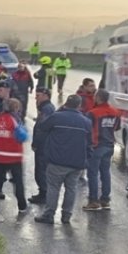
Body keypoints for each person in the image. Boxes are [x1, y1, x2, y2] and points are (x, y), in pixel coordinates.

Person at [34, 95, 91, 224]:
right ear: (79, 106)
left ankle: (49, 215)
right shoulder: (86, 121)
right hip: (77, 162)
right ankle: (66, 215)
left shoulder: (57, 117)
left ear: (65, 104)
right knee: (71, 188)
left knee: (53, 187)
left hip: (57, 160)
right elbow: (90, 143)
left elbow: (42, 127)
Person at [0, 98, 29, 212]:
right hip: (13, 157)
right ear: (15, 109)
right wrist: (24, 128)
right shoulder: (14, 121)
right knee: (18, 182)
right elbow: (23, 137)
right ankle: (22, 206)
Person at [85, 89, 121, 211]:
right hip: (109, 145)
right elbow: (116, 128)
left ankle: (93, 200)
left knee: (93, 174)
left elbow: (87, 130)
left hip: (96, 146)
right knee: (105, 172)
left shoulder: (93, 113)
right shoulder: (115, 112)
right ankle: (105, 199)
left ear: (98, 98)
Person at [29, 86, 56, 205]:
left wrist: (36, 143)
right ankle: (43, 192)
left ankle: (44, 194)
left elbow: (42, 128)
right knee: (41, 169)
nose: (36, 97)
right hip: (44, 144)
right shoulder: (45, 107)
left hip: (43, 145)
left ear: (45, 95)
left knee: (41, 170)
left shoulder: (47, 109)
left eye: (38, 95)